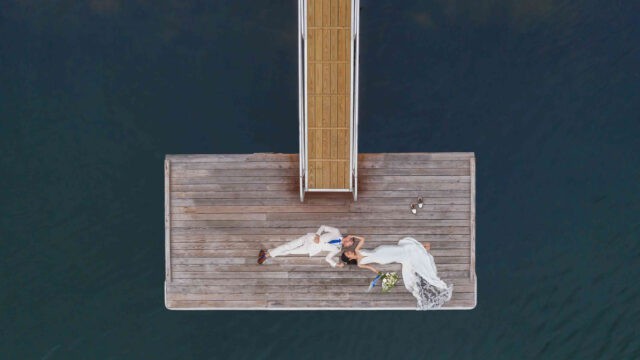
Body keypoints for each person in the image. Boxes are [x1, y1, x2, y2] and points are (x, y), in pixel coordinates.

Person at [342, 237, 453, 310]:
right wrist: (379, 273)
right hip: (382, 259)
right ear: (350, 259)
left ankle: (422, 248)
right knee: (403, 255)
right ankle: (422, 248)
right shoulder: (360, 264)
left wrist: (352, 235)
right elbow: (371, 268)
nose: (350, 252)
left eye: (348, 251)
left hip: (381, 250)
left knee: (402, 250)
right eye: (348, 254)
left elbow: (362, 239)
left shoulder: (357, 250)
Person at [258, 225, 358, 268]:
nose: (349, 245)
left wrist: (336, 264)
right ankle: (266, 255)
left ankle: (267, 252)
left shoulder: (338, 249)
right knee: (288, 246)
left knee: (290, 251)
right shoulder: (336, 232)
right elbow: (323, 227)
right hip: (310, 238)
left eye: (350, 245)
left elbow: (328, 258)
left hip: (311, 249)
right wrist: (318, 235)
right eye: (350, 243)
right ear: (348, 238)